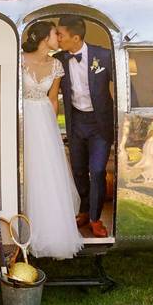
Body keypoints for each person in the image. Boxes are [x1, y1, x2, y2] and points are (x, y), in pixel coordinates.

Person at [21, 21, 84, 259]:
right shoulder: (20, 59)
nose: (58, 37)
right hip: (23, 117)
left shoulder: (57, 64)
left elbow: (53, 99)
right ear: (43, 38)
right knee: (25, 171)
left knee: (46, 173)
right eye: (54, 34)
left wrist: (52, 127)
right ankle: (20, 229)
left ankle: (47, 232)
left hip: (43, 121)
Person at [55, 16, 114, 238]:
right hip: (76, 121)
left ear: (76, 37)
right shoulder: (59, 59)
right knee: (78, 170)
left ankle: (96, 219)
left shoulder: (104, 55)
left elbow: (125, 87)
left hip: (99, 124)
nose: (58, 38)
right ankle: (84, 211)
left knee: (97, 171)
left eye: (61, 34)